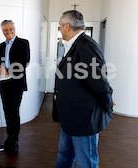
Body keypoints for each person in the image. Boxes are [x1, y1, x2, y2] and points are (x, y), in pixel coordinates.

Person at [54, 10, 114, 168]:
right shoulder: (74, 44)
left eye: (60, 25)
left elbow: (99, 81)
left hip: (84, 118)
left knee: (85, 162)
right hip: (70, 116)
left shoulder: (86, 45)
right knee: (64, 156)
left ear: (67, 26)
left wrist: (108, 104)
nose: (59, 29)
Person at [0, 20, 30, 152]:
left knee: (14, 112)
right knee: (7, 111)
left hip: (16, 83)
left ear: (14, 29)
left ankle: (14, 141)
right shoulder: (1, 46)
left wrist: (8, 71)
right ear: (2, 31)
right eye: (5, 30)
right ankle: (10, 138)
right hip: (4, 83)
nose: (8, 32)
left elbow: (24, 62)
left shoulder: (23, 43)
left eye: (10, 29)